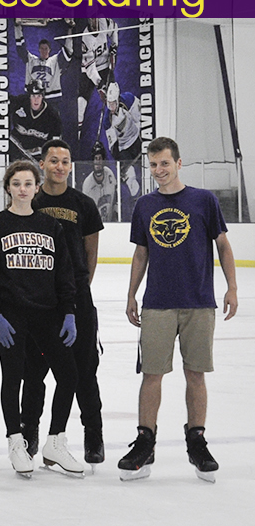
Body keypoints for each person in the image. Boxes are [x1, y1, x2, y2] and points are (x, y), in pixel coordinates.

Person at [119, 137, 237, 483]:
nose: (158, 171)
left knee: (195, 374)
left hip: (199, 302)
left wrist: (232, 286)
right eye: (153, 165)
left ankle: (196, 441)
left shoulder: (204, 200)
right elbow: (141, 253)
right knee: (151, 374)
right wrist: (131, 295)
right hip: (157, 303)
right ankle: (145, 441)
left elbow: (224, 245)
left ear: (178, 163)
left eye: (164, 164)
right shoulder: (145, 205)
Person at [0, 160, 85, 477]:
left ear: (37, 188)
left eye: (28, 183)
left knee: (69, 376)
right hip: (11, 314)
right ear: (8, 187)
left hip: (48, 313)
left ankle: (55, 442)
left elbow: (65, 275)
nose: (22, 189)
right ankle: (15, 441)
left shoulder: (51, 227)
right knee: (13, 379)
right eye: (16, 183)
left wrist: (69, 312)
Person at [22, 139, 106, 466]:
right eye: (53, 161)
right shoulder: (32, 199)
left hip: (76, 299)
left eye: (65, 161)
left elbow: (91, 255)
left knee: (85, 370)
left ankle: (93, 434)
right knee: (35, 370)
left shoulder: (83, 204)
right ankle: (29, 431)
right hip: (37, 300)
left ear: (71, 166)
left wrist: (76, 294)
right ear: (41, 164)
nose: (59, 166)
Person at [14, 22, 73, 101]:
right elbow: (21, 48)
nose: (44, 51)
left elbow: (68, 50)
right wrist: (17, 28)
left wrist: (70, 30)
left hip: (51, 98)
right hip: (34, 98)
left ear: (49, 50)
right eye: (42, 48)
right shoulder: (31, 60)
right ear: (39, 50)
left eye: (46, 49)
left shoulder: (55, 61)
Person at [12, 81, 61, 163]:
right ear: (29, 96)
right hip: (16, 152)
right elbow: (4, 103)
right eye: (33, 96)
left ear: (43, 97)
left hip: (38, 157)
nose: (36, 100)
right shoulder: (20, 103)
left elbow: (54, 144)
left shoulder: (52, 116)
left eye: (39, 96)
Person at [81, 143, 119, 222]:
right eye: (96, 158)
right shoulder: (87, 185)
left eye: (100, 158)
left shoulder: (109, 174)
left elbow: (115, 198)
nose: (98, 162)